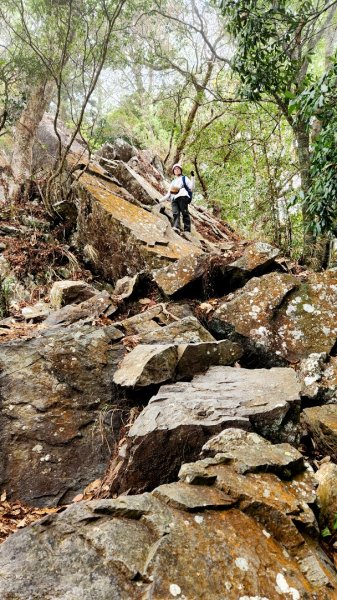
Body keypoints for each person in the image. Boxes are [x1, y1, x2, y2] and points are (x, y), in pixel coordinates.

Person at [160, 164, 195, 233]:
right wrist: (159, 200)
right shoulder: (173, 182)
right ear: (173, 172)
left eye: (178, 168)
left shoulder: (184, 178)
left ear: (181, 170)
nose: (177, 169)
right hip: (174, 199)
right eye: (175, 169)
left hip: (183, 197)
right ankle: (176, 227)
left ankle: (187, 230)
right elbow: (168, 195)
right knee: (175, 213)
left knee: (185, 213)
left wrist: (192, 177)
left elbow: (191, 188)